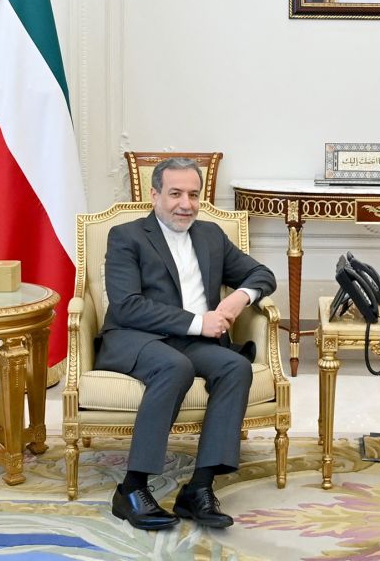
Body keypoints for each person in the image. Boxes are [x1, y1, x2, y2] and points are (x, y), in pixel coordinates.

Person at [96, 157, 276, 531]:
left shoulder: (210, 235)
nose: (186, 204)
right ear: (155, 194)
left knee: (235, 366)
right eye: (175, 193)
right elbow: (127, 305)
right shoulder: (127, 236)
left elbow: (262, 274)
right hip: (135, 337)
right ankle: (131, 489)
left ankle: (198, 488)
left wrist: (239, 298)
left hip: (192, 340)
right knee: (173, 366)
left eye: (193, 194)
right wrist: (200, 321)